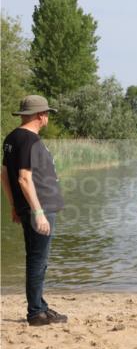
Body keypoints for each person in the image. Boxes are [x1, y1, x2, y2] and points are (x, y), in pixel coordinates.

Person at [1, 95, 68, 326]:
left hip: (30, 207)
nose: (48, 117)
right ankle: (36, 312)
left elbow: (3, 175)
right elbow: (23, 178)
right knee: (39, 260)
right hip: (40, 208)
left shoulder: (12, 138)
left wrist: (14, 205)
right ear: (40, 115)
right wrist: (38, 212)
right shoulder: (30, 140)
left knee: (36, 259)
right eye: (47, 113)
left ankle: (40, 306)